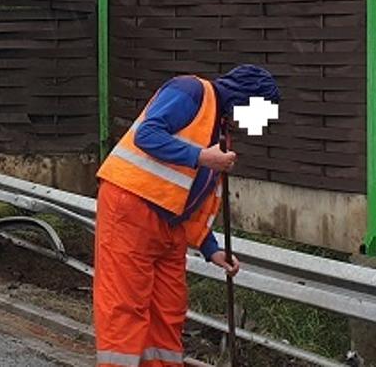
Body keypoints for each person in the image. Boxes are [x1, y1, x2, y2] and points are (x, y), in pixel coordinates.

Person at [93, 65, 280, 367]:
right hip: (131, 209)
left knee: (168, 312)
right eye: (260, 113)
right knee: (125, 307)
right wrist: (201, 157)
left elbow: (192, 196)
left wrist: (211, 249)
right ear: (246, 100)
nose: (257, 124)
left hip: (169, 226)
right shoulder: (190, 91)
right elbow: (147, 134)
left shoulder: (220, 134)